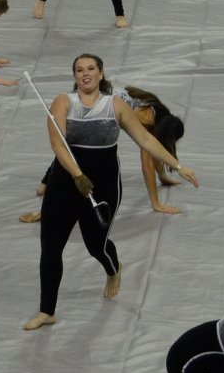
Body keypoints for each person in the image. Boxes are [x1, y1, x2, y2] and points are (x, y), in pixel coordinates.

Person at [22, 54, 196, 330]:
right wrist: (77, 175)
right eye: (80, 70)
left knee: (96, 245)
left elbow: (145, 138)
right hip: (65, 182)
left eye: (91, 68)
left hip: (103, 185)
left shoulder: (116, 106)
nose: (85, 73)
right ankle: (47, 311)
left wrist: (178, 165)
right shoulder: (63, 102)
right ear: (75, 76)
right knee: (51, 247)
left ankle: (113, 269)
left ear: (101, 73)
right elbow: (57, 145)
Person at [22, 84, 189, 221]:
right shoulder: (145, 119)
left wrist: (163, 176)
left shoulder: (157, 110)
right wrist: (156, 204)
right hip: (88, 111)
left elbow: (155, 151)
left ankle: (45, 185)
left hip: (91, 100)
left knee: (69, 149)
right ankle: (50, 203)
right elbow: (147, 165)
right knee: (77, 156)